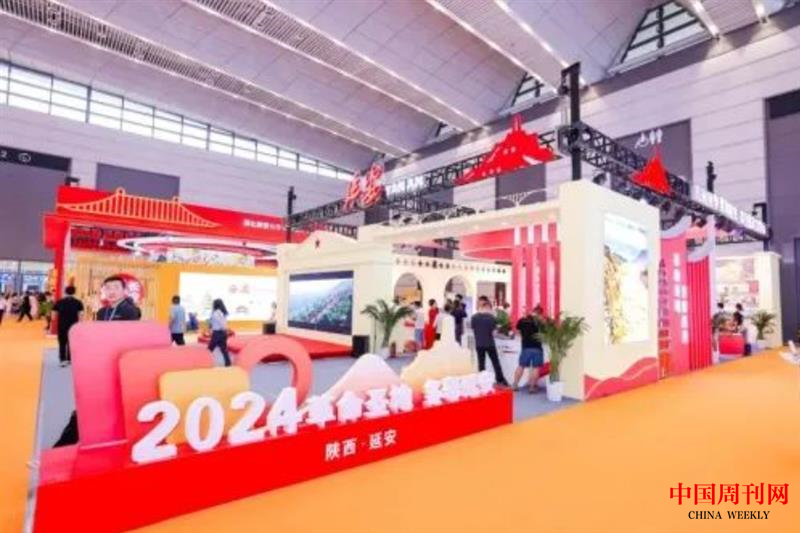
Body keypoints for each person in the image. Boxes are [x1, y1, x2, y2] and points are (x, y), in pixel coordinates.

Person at [54, 278, 140, 448]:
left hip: (121, 369)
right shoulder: (102, 312)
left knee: (97, 408)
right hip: (102, 367)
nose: (111, 291)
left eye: (116, 287)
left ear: (124, 291)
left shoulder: (130, 311)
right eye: (108, 288)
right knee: (87, 406)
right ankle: (64, 446)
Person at [470, 300, 509, 386]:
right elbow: (494, 333)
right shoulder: (491, 318)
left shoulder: (474, 317)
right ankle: (500, 379)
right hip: (490, 343)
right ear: (487, 307)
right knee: (495, 362)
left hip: (479, 344)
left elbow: (473, 330)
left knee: (481, 363)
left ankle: (482, 381)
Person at [513, 306, 545, 393]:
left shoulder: (522, 320)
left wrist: (524, 337)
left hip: (526, 347)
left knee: (521, 366)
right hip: (537, 347)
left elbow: (517, 332)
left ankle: (515, 385)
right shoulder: (540, 322)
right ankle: (532, 388)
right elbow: (545, 333)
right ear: (540, 314)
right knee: (535, 368)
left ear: (532, 311)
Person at [51, 287, 84, 367]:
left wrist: (54, 319)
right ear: (74, 292)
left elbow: (53, 315)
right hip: (73, 326)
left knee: (62, 342)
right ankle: (69, 359)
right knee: (71, 342)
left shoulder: (59, 302)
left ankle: (62, 359)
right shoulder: (78, 302)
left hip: (62, 325)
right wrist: (80, 324)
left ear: (65, 292)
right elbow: (81, 315)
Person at [208, 298, 231, 366]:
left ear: (215, 305)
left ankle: (204, 361)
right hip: (223, 333)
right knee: (224, 349)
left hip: (217, 333)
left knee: (210, 349)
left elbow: (221, 323)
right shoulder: (222, 312)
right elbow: (223, 323)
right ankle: (228, 363)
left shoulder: (216, 313)